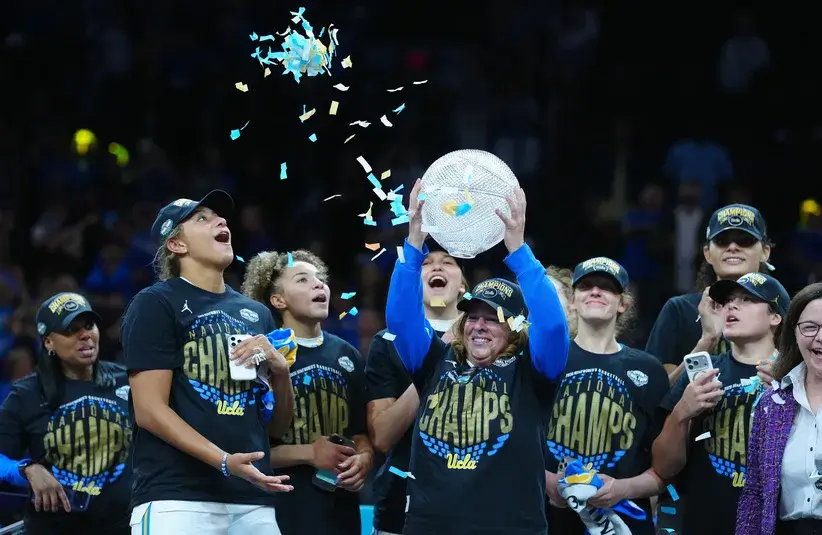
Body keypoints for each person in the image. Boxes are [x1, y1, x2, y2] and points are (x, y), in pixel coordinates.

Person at [386, 182, 569, 535]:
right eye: (473, 317)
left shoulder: (533, 371)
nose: (480, 326)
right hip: (428, 527)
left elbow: (553, 327)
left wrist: (518, 250)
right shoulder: (435, 362)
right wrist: (413, 245)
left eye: (494, 319)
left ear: (514, 329)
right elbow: (400, 320)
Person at [120, 191, 295, 535]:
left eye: (221, 217)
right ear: (177, 245)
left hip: (252, 498)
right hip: (177, 497)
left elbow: (275, 428)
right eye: (202, 218)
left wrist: (281, 371)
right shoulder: (155, 303)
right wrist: (224, 462)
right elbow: (150, 410)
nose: (221, 221)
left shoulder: (257, 314)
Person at [241, 249, 373, 535]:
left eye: (320, 279)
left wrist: (364, 458)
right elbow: (248, 448)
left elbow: (360, 433)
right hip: (280, 509)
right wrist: (308, 453)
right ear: (278, 300)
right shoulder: (262, 354)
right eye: (303, 280)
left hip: (340, 509)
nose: (319, 285)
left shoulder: (347, 353)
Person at [652, 272, 789, 535]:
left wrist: (793, 397)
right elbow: (664, 469)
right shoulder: (702, 375)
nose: (732, 306)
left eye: (747, 300)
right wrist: (682, 413)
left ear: (775, 317)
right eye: (728, 300)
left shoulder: (796, 375)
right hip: (703, 522)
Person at [544, 258, 668, 535]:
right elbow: (514, 442)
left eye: (607, 288)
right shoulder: (547, 359)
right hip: (546, 519)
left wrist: (622, 489)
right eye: (586, 286)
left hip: (621, 524)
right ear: (572, 300)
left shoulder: (648, 369)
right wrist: (546, 482)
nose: (596, 291)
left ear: (623, 303)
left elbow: (665, 469)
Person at [0, 292, 132, 534]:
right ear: (48, 341)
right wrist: (27, 469)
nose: (85, 335)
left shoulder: (128, 381)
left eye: (89, 326)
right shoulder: (26, 395)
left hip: (125, 527)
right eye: (71, 330)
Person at [365, 244, 467, 535]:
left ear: (462, 286)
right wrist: (435, 363)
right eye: (426, 263)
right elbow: (382, 437)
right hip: (402, 504)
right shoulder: (386, 342)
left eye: (448, 262)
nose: (436, 267)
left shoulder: (486, 341)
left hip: (472, 504)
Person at [646, 203, 774, 383]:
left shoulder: (782, 312)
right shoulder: (680, 310)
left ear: (765, 252)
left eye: (745, 240)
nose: (732, 247)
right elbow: (655, 397)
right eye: (722, 241)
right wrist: (707, 342)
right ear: (707, 253)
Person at [737, 282, 822, 535]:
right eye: (810, 328)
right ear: (794, 334)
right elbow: (754, 492)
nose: (820, 337)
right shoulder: (772, 403)